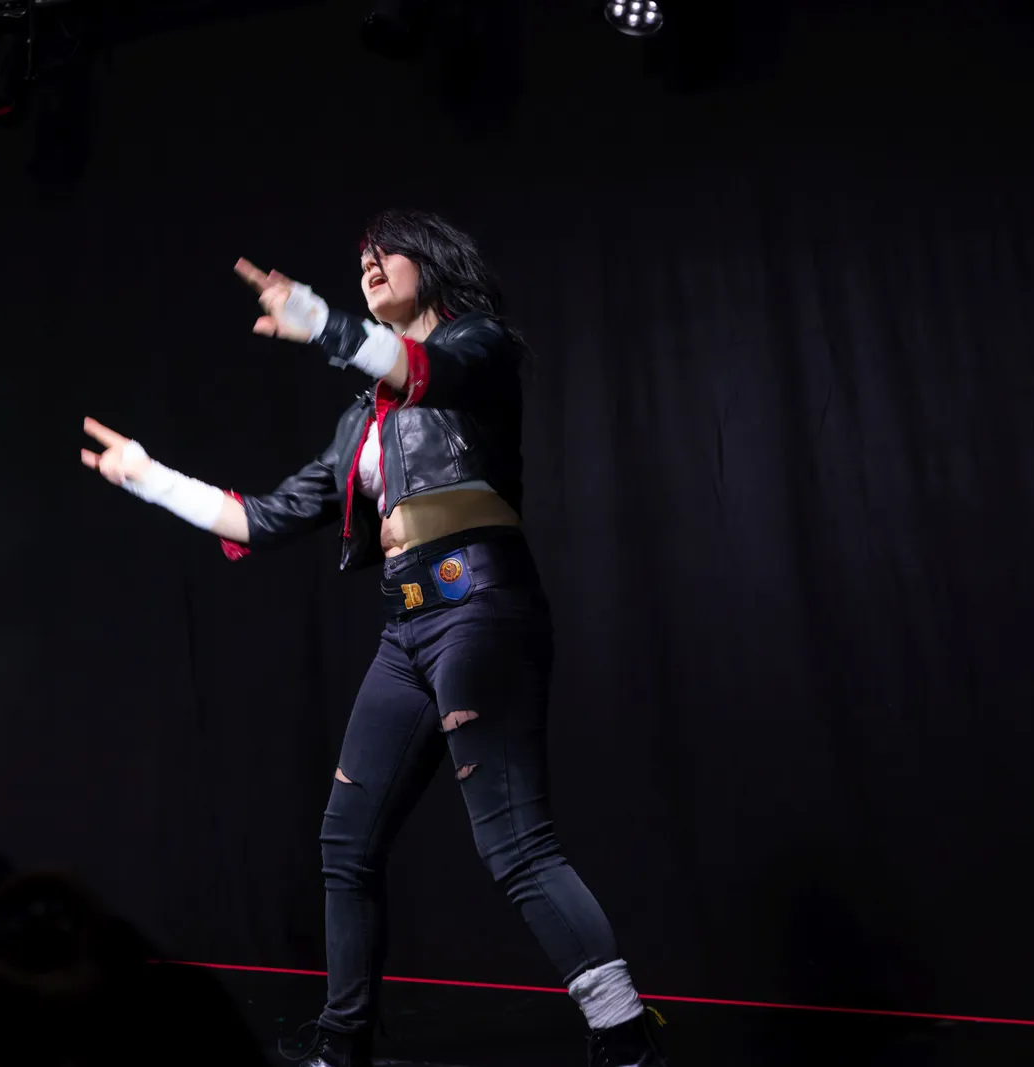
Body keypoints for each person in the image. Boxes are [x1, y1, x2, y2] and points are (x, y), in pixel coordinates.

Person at [79, 211, 668, 1067]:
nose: (369, 265)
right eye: (359, 260)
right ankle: (342, 1039)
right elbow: (264, 518)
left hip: (479, 607)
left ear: (432, 261)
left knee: (514, 842)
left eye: (384, 253)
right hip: (407, 629)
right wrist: (148, 477)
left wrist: (320, 321)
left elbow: (424, 371)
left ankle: (624, 1035)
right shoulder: (363, 419)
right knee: (346, 843)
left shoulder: (478, 345)